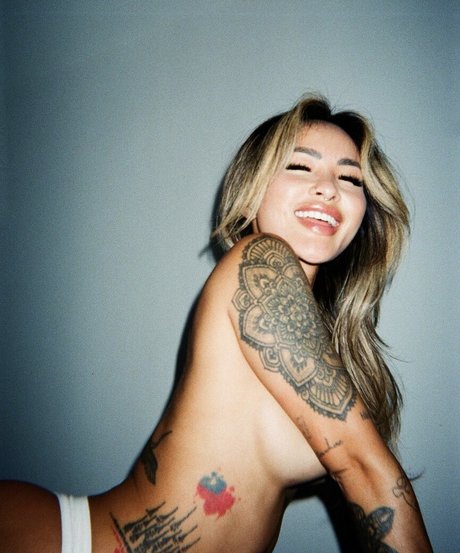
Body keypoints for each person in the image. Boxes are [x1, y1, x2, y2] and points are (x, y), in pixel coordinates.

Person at [0, 94, 433, 552]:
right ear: (253, 190)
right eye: (300, 166)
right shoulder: (260, 259)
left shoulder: (311, 328)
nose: (328, 187)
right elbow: (364, 467)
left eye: (350, 178)